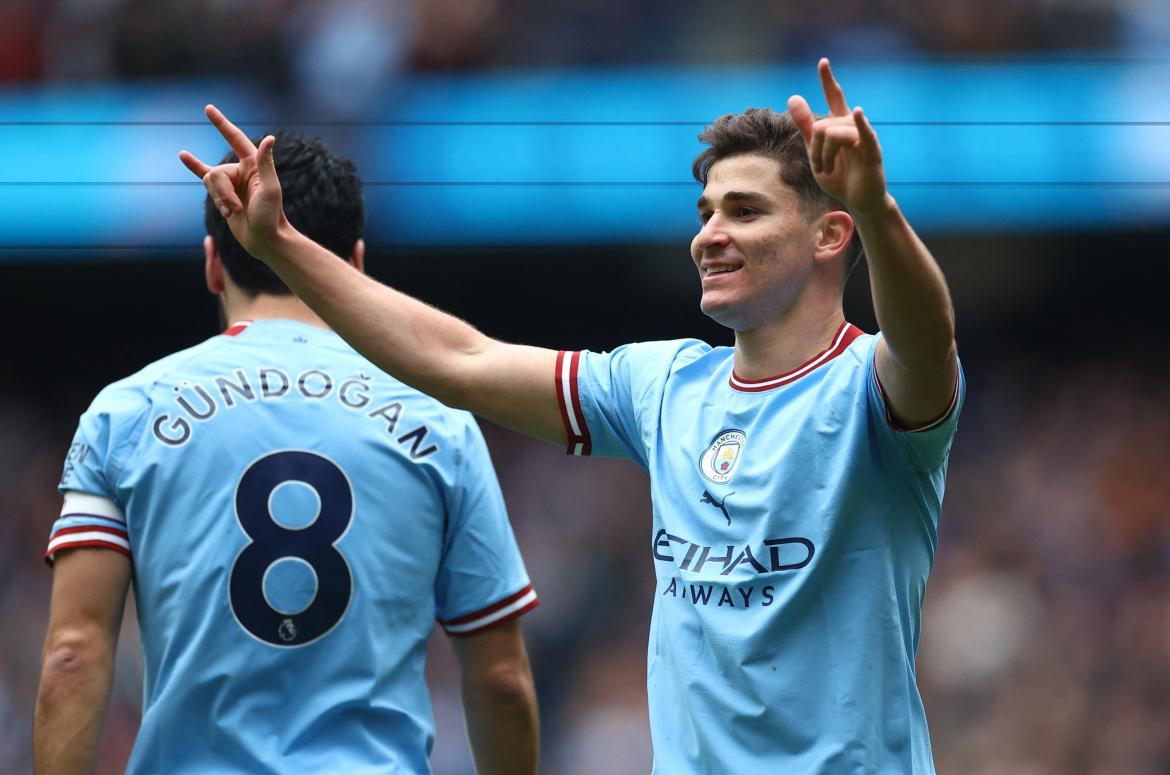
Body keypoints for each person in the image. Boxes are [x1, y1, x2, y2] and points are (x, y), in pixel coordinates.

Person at [182, 58, 964, 773]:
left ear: (830, 233)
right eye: (705, 211)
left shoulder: (872, 387)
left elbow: (928, 339)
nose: (709, 235)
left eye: (745, 211)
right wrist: (282, 245)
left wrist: (877, 205)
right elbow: (461, 359)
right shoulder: (662, 384)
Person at [34, 132, 540, 775]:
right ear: (355, 266)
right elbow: (500, 678)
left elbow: (73, 654)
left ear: (212, 262)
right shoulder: (439, 420)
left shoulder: (124, 413)